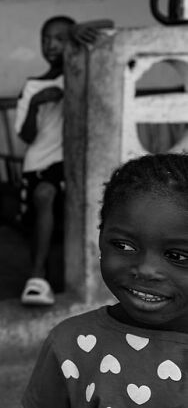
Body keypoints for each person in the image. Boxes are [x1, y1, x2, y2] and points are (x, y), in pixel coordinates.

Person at [22, 153, 188, 407]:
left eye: (176, 255)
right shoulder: (69, 345)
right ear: (101, 239)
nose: (145, 270)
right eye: (124, 245)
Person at [16, 16, 113, 305]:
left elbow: (108, 25)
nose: (51, 45)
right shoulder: (33, 86)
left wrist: (76, 31)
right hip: (39, 166)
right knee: (44, 192)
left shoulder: (81, 72)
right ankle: (36, 277)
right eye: (45, 39)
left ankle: (98, 277)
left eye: (59, 38)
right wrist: (37, 103)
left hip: (74, 164)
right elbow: (26, 136)